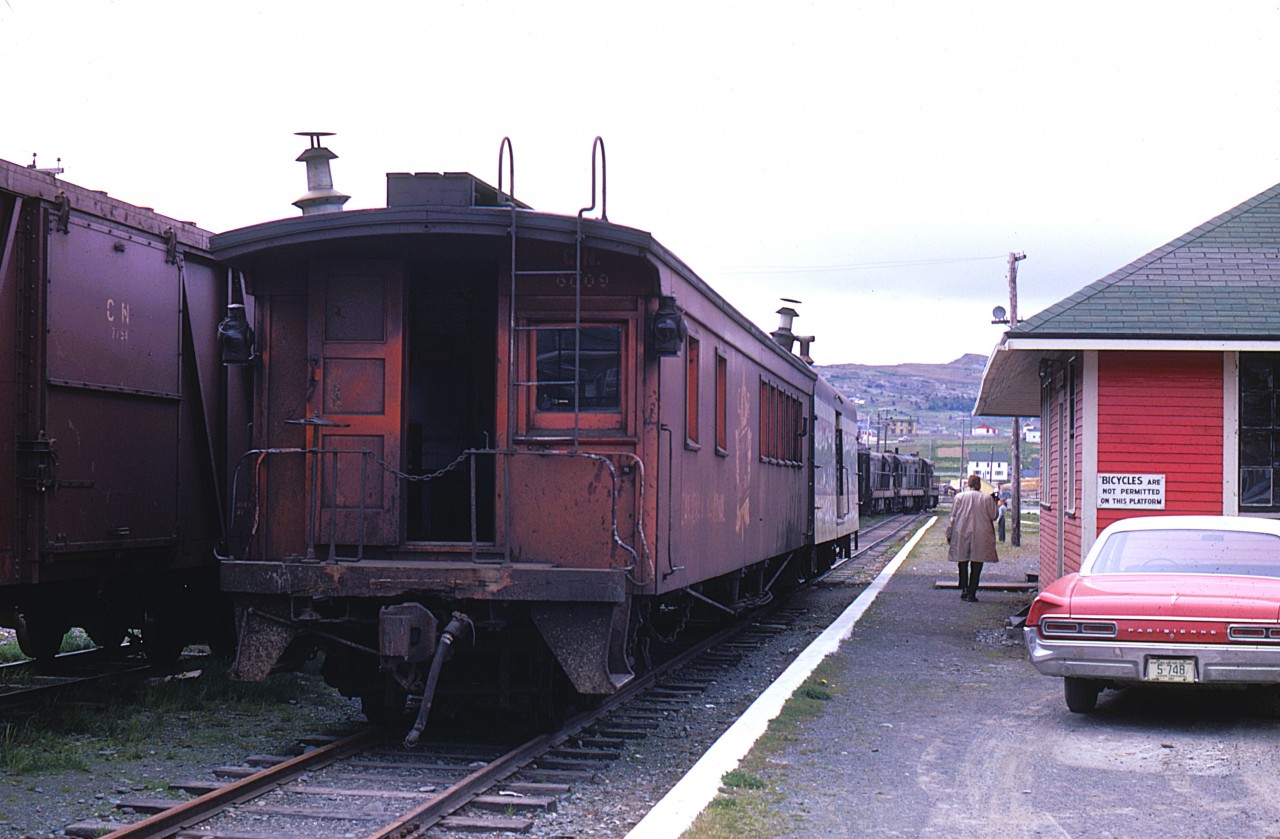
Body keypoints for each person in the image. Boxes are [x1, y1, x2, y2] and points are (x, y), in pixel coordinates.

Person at [946, 474, 999, 601]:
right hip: (981, 533)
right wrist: (995, 503)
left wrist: (949, 533)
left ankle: (963, 587)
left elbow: (952, 517)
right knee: (977, 563)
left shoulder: (959, 497)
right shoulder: (987, 499)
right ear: (979, 484)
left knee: (962, 561)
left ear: (969, 484)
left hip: (961, 531)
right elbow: (994, 516)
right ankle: (972, 592)